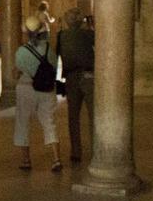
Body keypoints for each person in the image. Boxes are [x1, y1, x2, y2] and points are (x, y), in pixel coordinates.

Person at [14, 15, 62, 173]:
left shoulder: (21, 52)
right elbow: (54, 67)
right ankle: (56, 159)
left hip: (26, 88)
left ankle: (26, 160)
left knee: (23, 122)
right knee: (49, 122)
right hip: (47, 89)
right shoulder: (50, 50)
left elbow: (17, 71)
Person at [56, 9, 95, 164]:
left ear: (67, 21)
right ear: (81, 21)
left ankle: (76, 152)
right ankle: (96, 149)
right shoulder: (87, 34)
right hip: (88, 76)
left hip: (71, 77)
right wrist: (91, 28)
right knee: (93, 115)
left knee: (73, 116)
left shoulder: (61, 36)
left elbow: (56, 55)